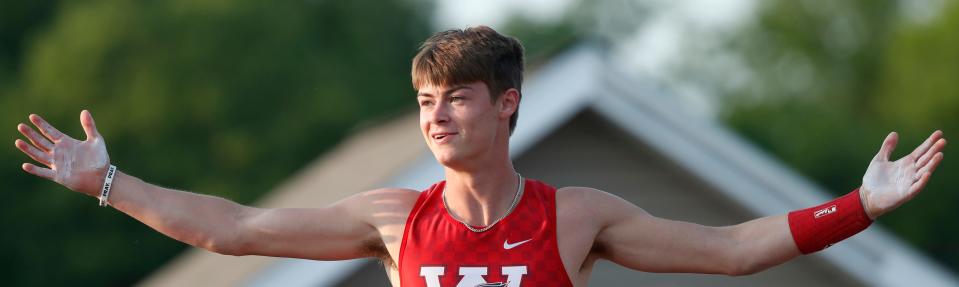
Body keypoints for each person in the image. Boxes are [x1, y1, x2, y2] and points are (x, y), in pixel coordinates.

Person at [14, 26, 946, 287]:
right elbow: (234, 231)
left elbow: (733, 249)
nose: (436, 116)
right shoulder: (390, 220)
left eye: (455, 97)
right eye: (424, 102)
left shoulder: (578, 215)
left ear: (506, 105)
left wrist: (855, 205)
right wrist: (110, 183)